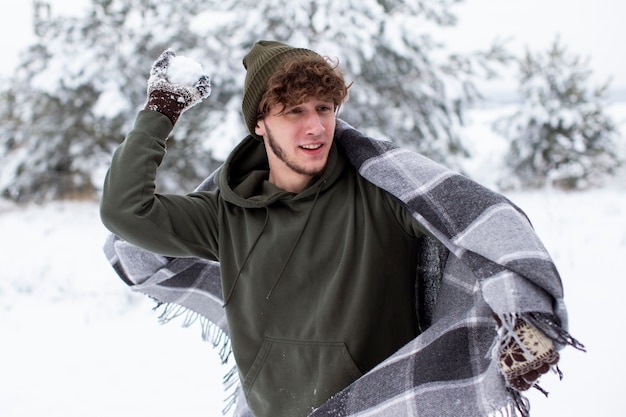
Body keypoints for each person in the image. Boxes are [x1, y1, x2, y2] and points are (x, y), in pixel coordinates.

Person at [100, 41, 581, 417]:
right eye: (294, 111)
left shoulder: (381, 194)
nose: (315, 127)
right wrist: (161, 110)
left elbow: (482, 220)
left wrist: (521, 313)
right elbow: (126, 212)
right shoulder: (223, 214)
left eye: (324, 108)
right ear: (260, 126)